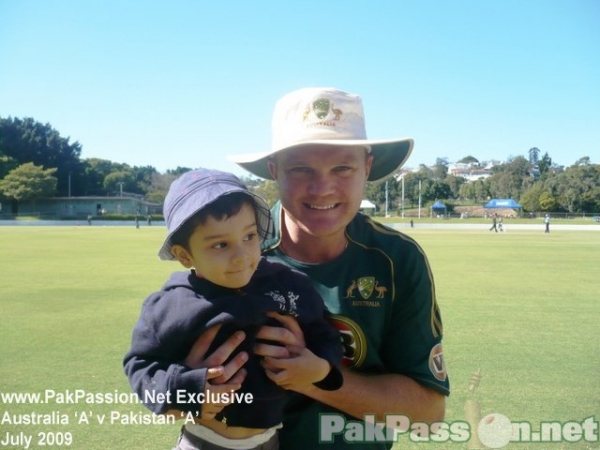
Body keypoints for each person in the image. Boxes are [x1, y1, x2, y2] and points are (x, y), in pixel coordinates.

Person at [186, 87, 450, 449]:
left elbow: (428, 415)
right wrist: (191, 389)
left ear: (367, 168)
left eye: (342, 167)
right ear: (275, 171)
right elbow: (169, 381)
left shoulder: (397, 259)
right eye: (300, 169)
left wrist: (312, 378)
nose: (322, 188)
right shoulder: (234, 250)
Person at [123, 168, 343, 450]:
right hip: (202, 441)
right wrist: (187, 391)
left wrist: (322, 368)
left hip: (271, 441)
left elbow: (324, 334)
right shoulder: (171, 305)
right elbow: (140, 366)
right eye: (220, 244)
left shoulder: (290, 286)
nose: (241, 256)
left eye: (250, 236)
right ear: (184, 255)